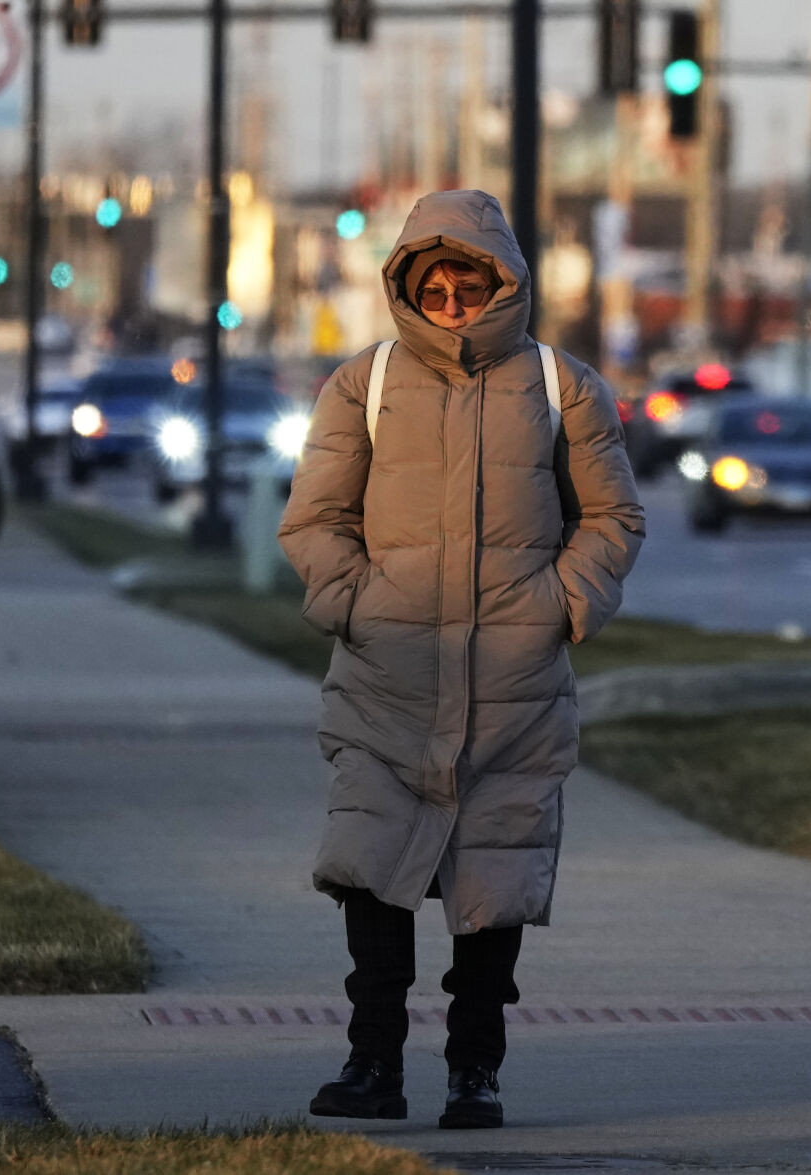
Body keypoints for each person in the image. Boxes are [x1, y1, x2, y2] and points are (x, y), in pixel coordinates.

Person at [278, 189, 644, 1130]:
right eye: (432, 282)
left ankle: (474, 1069)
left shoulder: (564, 388)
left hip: (512, 685)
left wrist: (562, 605)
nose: (449, 297)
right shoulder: (362, 386)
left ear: (501, 280)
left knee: (493, 883)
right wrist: (355, 602)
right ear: (406, 283)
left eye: (467, 279)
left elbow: (611, 517)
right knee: (372, 866)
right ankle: (373, 1063)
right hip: (386, 675)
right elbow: (315, 519)